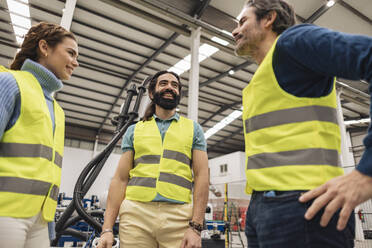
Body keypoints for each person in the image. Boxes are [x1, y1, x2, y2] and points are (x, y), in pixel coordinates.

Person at [232, 0, 372, 247]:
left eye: (242, 21)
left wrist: (368, 173)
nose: (235, 30)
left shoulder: (293, 42)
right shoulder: (261, 79)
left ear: (269, 19)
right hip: (262, 210)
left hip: (304, 206)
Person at [97, 71, 209, 248]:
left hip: (179, 216)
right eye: (163, 83)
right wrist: (107, 229)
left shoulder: (193, 129)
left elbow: (202, 176)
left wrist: (195, 227)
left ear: (179, 93)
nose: (169, 87)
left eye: (174, 85)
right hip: (136, 215)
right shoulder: (134, 130)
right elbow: (120, 179)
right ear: (151, 93)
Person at [0, 22, 79, 247]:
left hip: (40, 221)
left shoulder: (57, 110)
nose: (76, 62)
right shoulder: (10, 84)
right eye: (70, 53)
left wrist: (48, 224)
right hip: (5, 214)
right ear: (44, 47)